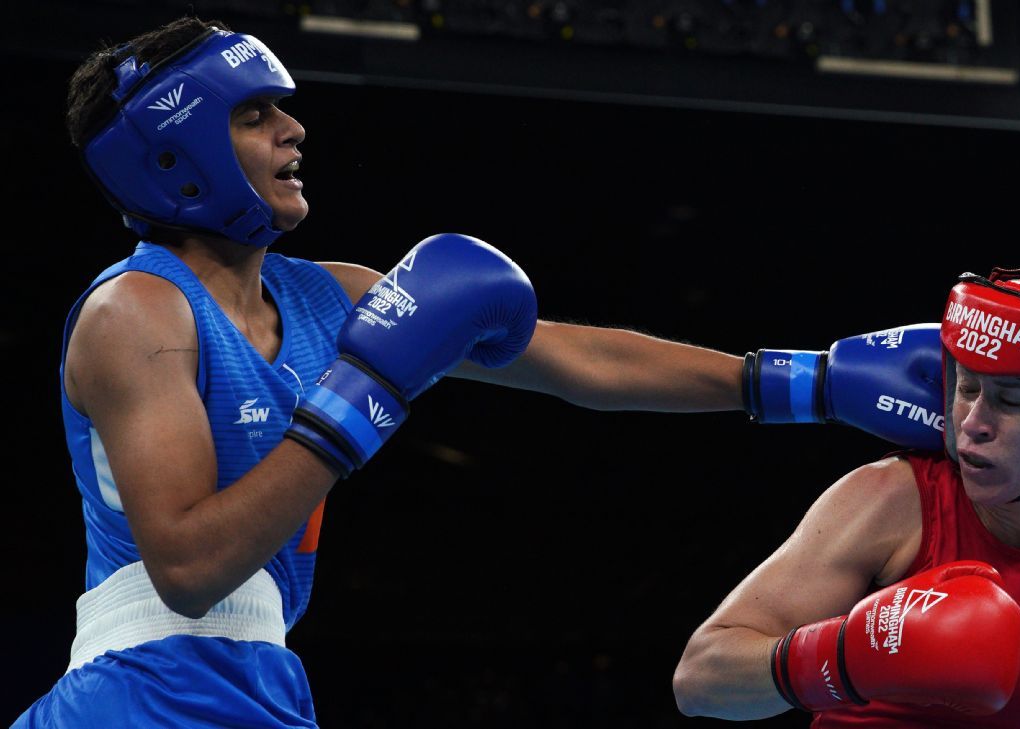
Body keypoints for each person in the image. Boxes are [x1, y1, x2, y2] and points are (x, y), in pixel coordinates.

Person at [15, 17, 947, 728]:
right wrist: (362, 400)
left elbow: (580, 359)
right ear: (174, 154)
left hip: (258, 678)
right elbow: (188, 565)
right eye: (254, 115)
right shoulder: (134, 312)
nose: (294, 129)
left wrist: (805, 381)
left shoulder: (329, 298)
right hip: (139, 689)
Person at [673, 265, 1020, 729]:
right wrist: (847, 658)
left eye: (1011, 402)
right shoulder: (891, 499)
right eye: (967, 388)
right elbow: (701, 679)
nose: (972, 424)